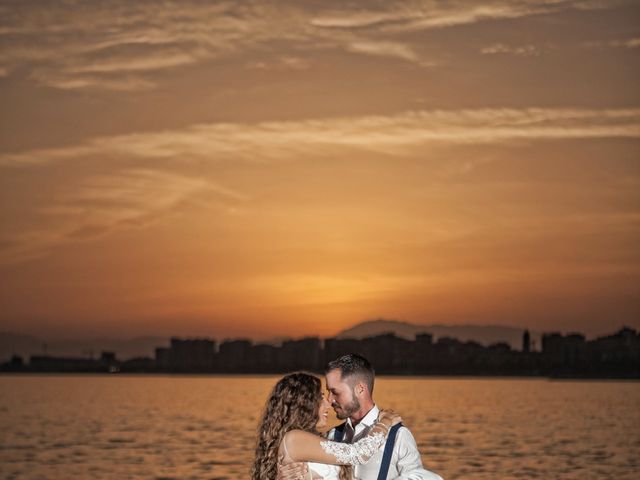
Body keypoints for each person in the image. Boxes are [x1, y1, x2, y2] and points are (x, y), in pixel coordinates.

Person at [278, 354, 443, 480]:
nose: (329, 399)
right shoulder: (332, 436)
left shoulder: (398, 436)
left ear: (360, 389)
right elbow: (355, 454)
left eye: (335, 392)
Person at [252, 371, 403, 480]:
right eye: (320, 397)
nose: (328, 403)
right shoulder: (293, 439)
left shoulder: (310, 440)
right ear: (304, 404)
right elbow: (357, 454)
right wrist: (384, 422)